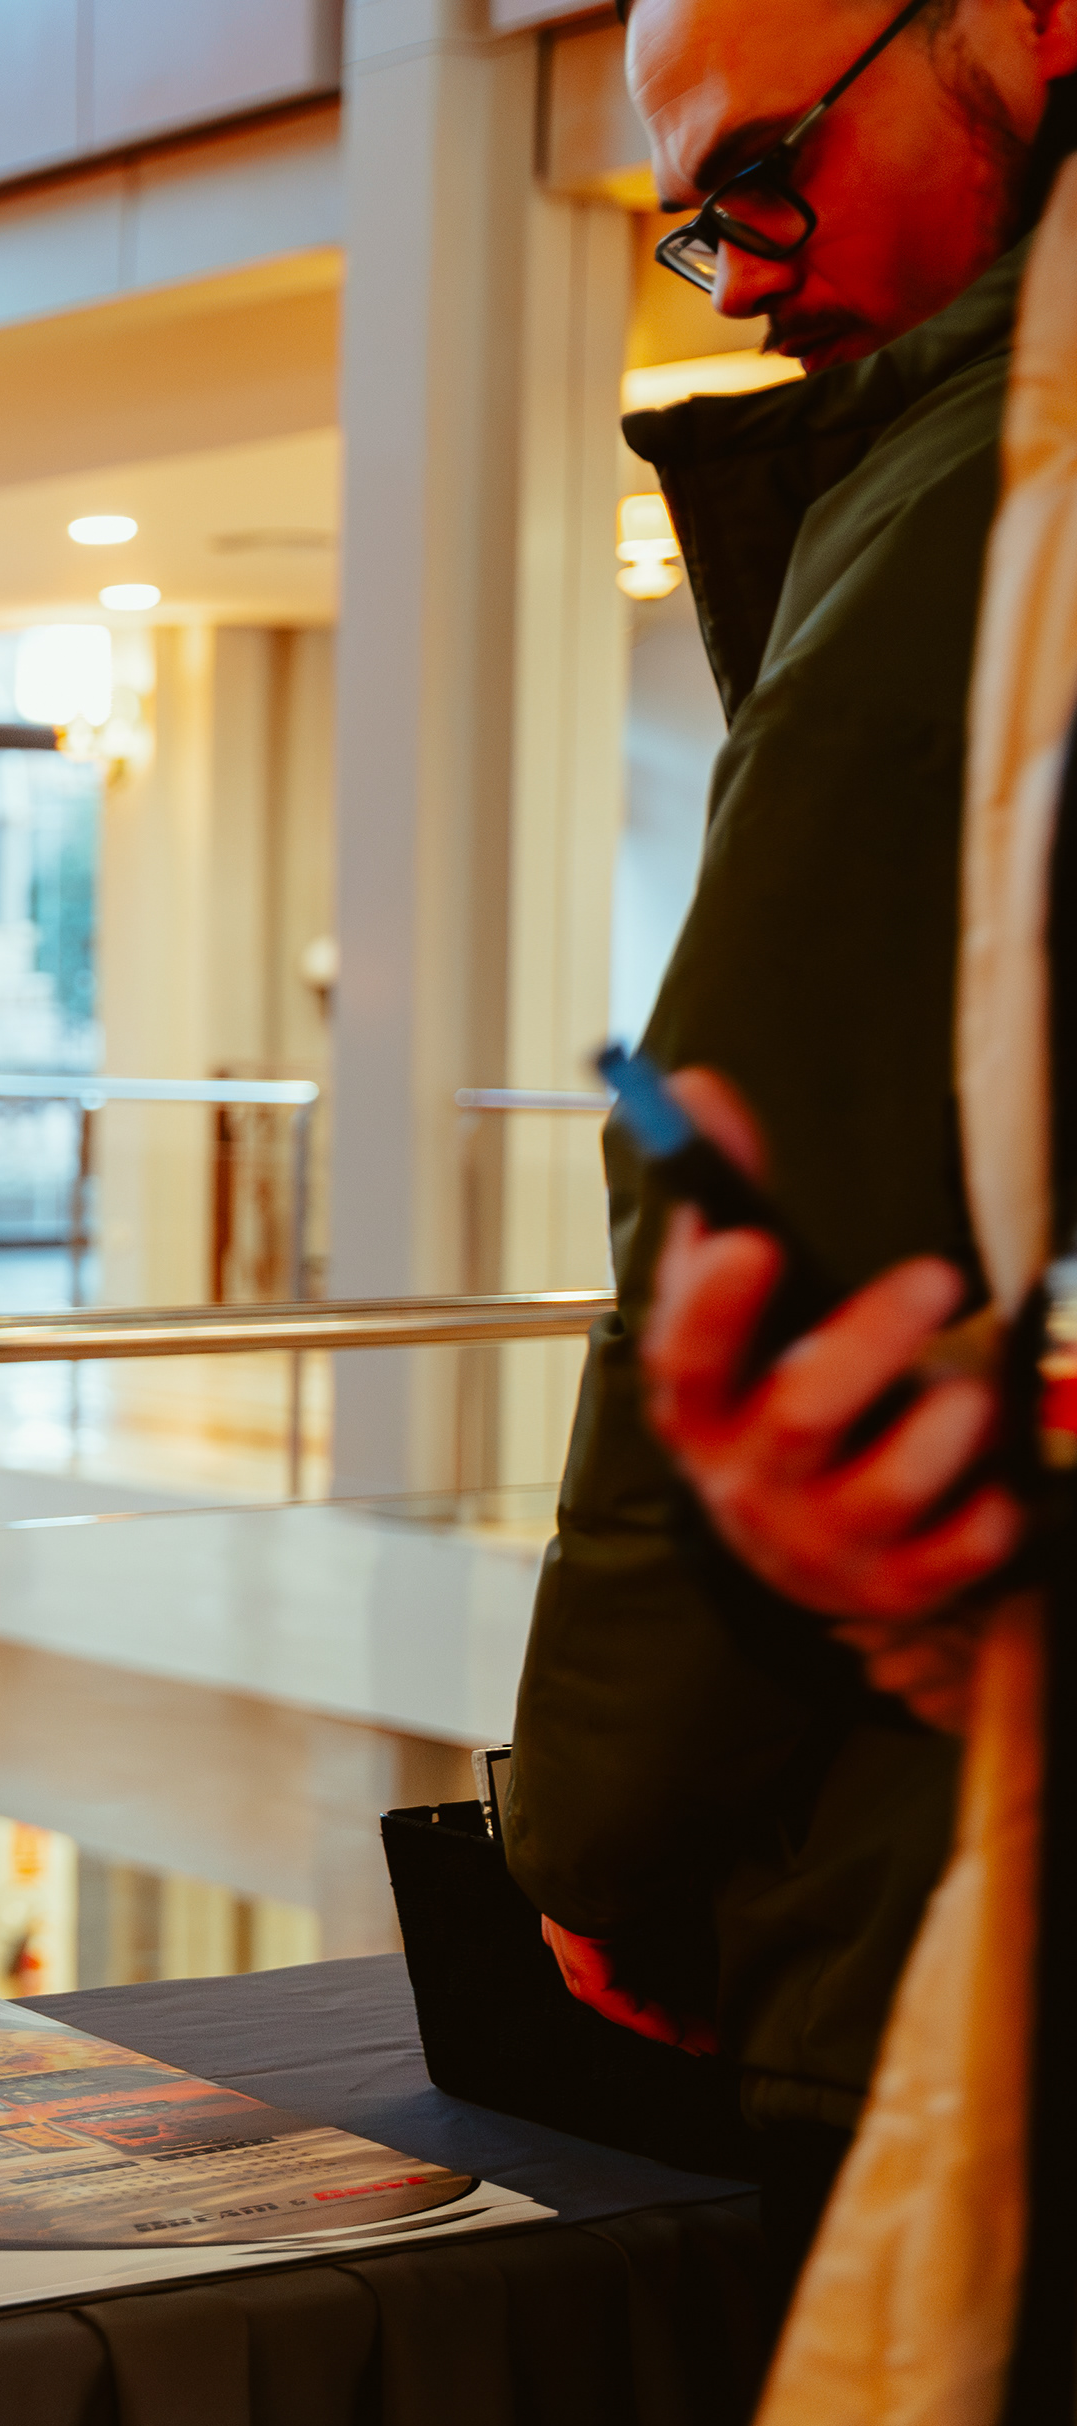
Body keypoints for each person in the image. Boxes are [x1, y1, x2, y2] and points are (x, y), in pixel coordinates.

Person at [509, 0, 1077, 2281]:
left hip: (971, 1930)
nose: (739, 273)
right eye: (698, 220)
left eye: (769, 171)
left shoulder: (984, 509)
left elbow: (756, 1227)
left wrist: (598, 1844)